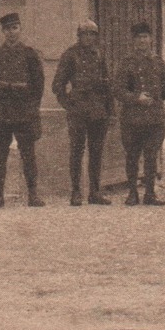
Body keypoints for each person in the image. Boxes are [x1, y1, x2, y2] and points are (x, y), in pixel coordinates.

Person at [0, 12, 46, 208]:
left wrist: (32, 107)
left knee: (28, 154)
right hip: (2, 111)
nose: (11, 32)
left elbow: (38, 85)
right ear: (2, 31)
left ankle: (33, 194)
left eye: (14, 28)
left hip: (23, 111)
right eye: (7, 29)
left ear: (20, 29)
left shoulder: (30, 54)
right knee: (0, 154)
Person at [53, 20, 114, 206]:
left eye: (92, 34)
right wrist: (68, 104)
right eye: (85, 34)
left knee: (96, 151)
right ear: (79, 36)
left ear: (96, 37)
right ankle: (76, 191)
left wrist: (110, 111)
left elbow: (107, 84)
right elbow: (58, 85)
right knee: (77, 151)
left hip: (97, 110)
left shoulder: (100, 55)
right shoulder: (70, 55)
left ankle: (95, 191)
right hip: (78, 110)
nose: (89, 38)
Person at [115, 21, 165, 206]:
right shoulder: (126, 63)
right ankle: (132, 193)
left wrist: (153, 99)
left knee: (151, 156)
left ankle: (150, 193)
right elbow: (118, 90)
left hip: (154, 118)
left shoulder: (158, 62)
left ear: (151, 39)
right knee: (132, 155)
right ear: (133, 40)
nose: (142, 41)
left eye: (145, 37)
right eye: (139, 37)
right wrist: (136, 97)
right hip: (132, 118)